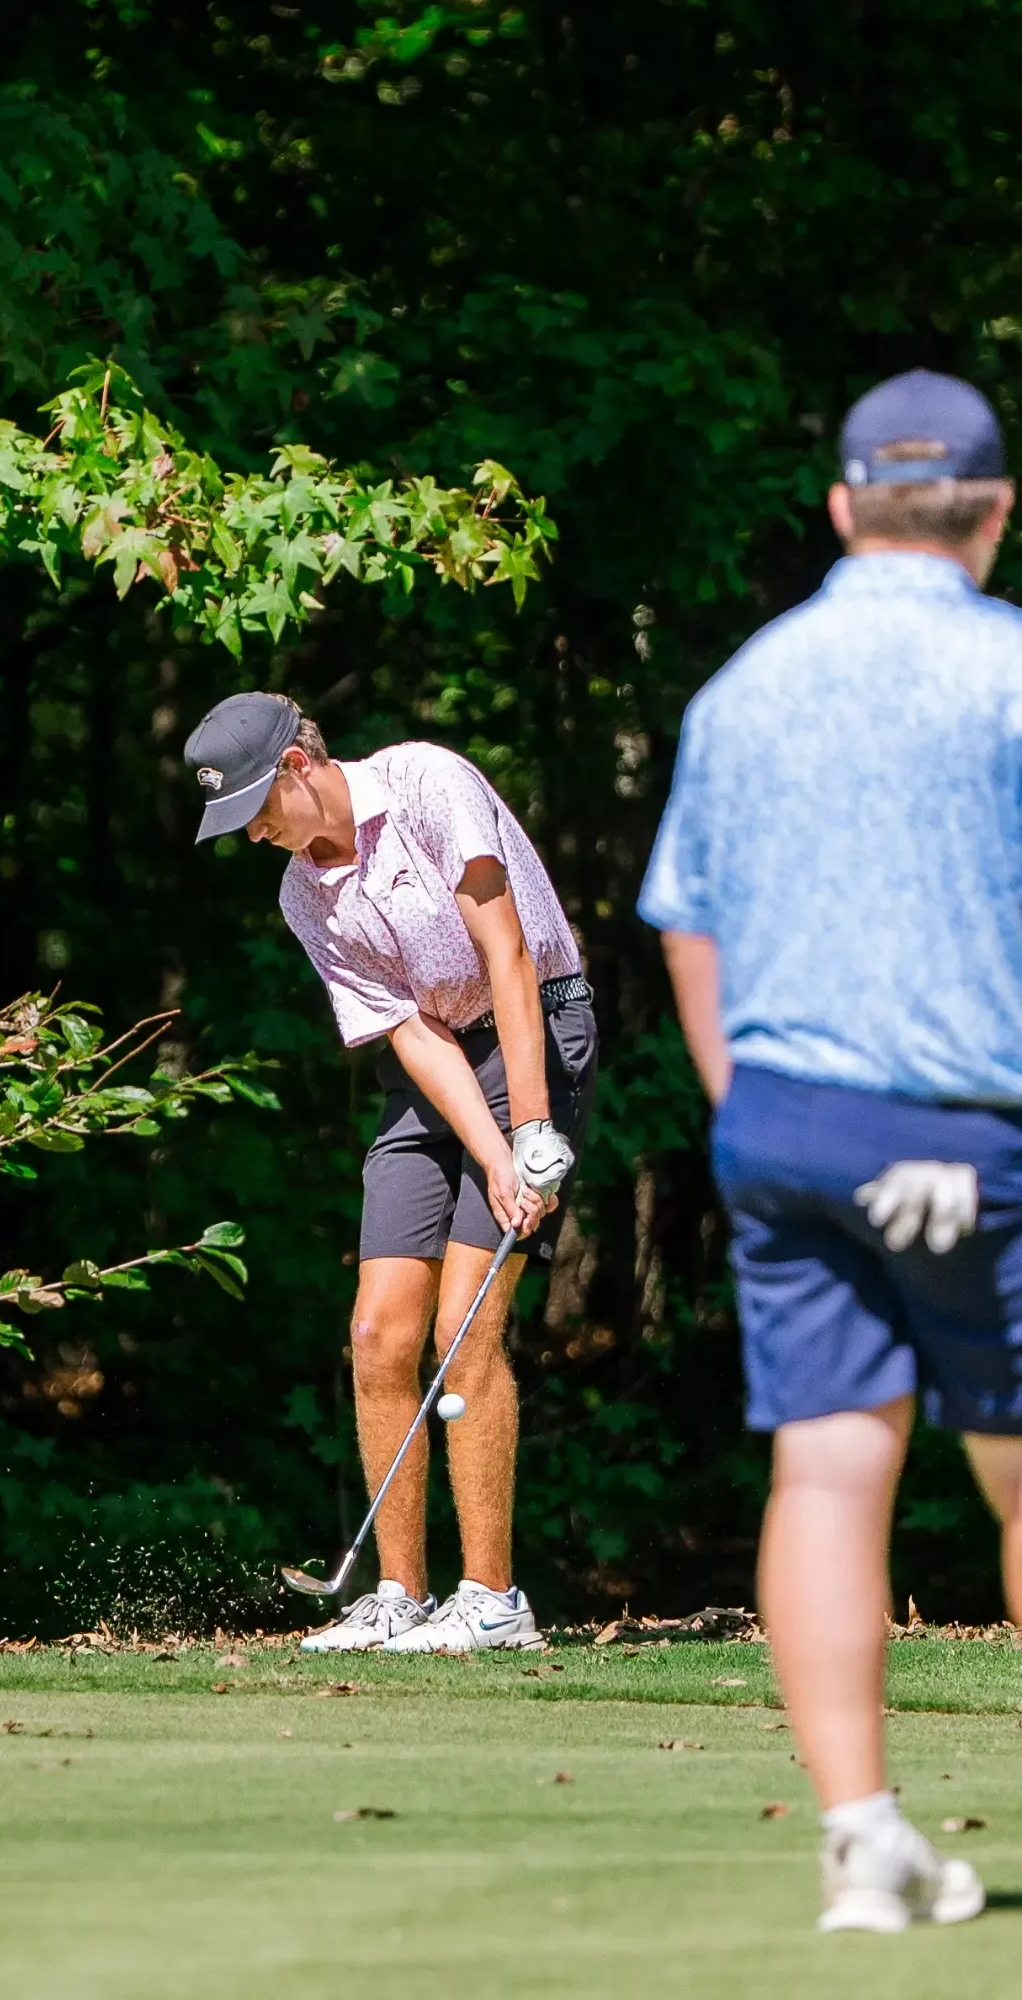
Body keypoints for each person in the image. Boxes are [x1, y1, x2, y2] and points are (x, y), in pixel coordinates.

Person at [638, 367, 1022, 1933]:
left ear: (844, 508)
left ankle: (863, 1839)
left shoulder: (745, 684)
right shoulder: (1011, 673)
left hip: (786, 1127)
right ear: (993, 516)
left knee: (827, 1463)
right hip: (972, 1131)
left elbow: (687, 925)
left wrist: (749, 1114)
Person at [185, 693, 597, 1651]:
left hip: (535, 1028)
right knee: (378, 1333)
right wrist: (487, 1149)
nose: (252, 835)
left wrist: (527, 1131)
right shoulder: (301, 894)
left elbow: (508, 956)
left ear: (297, 766)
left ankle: (491, 1598)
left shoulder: (425, 782)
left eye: (255, 808)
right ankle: (396, 1593)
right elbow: (409, 1029)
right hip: (439, 1060)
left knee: (463, 1329)